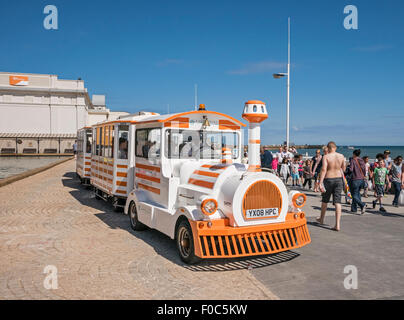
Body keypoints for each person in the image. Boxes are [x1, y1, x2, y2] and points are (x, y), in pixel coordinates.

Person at [317, 141, 346, 231]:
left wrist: (320, 182)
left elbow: (324, 169)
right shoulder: (341, 156)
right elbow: (343, 168)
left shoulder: (326, 156)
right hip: (339, 179)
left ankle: (321, 219)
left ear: (328, 148)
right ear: (335, 148)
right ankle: (337, 224)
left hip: (328, 179)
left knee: (325, 200)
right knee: (337, 202)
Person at [347, 149, 367, 214]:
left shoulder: (353, 160)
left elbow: (351, 169)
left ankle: (362, 204)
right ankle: (354, 208)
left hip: (355, 179)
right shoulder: (362, 160)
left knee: (354, 195)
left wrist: (347, 168)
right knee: (357, 193)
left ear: (354, 154)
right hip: (361, 179)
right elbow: (364, 169)